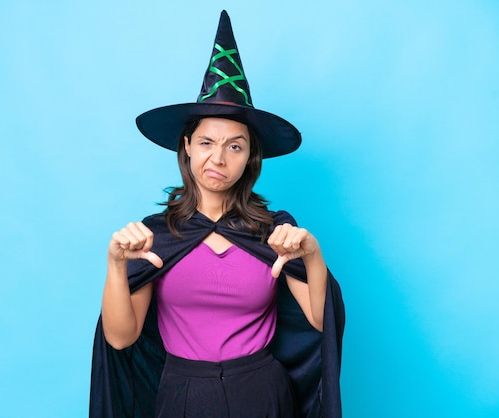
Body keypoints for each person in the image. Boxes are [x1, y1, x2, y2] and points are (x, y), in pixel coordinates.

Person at [90, 10, 345, 418]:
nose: (218, 158)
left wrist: (313, 255)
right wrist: (115, 265)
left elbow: (320, 322)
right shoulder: (155, 236)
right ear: (187, 145)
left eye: (235, 146)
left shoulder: (274, 231)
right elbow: (121, 339)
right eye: (207, 142)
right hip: (182, 396)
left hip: (262, 394)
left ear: (250, 158)